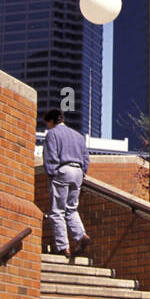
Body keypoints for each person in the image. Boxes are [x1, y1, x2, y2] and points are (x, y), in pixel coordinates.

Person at [42, 110, 91, 260]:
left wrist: (52, 173)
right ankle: (80, 235)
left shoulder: (52, 134)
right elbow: (86, 158)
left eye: (48, 123)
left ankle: (63, 247)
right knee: (71, 209)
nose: (48, 126)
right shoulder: (78, 136)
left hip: (62, 171)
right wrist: (82, 173)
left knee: (57, 211)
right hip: (77, 173)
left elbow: (50, 156)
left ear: (51, 121)